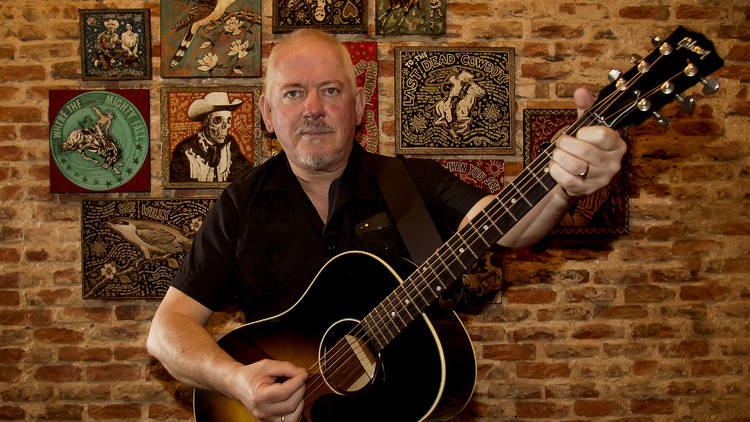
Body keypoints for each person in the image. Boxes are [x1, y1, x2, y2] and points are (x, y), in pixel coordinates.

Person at [147, 29, 626, 422]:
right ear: (269, 116)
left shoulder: (410, 182)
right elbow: (167, 330)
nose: (313, 107)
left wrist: (562, 185)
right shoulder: (241, 202)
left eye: (331, 90)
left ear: (358, 110)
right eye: (293, 93)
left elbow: (505, 226)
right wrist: (237, 381)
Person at [169, 91, 252, 183]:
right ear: (206, 122)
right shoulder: (185, 151)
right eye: (217, 120)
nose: (225, 127)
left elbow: (246, 176)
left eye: (228, 121)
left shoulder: (230, 145)